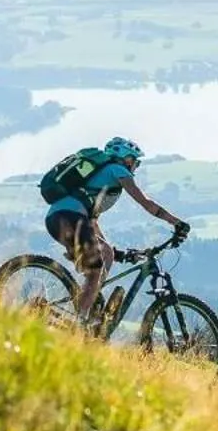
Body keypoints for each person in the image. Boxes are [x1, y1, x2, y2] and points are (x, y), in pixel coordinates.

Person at [43, 136, 189, 324]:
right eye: (134, 161)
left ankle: (88, 301)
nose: (135, 166)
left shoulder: (101, 180)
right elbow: (145, 202)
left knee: (107, 253)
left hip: (61, 219)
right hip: (68, 218)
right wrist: (176, 223)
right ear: (126, 159)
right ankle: (79, 323)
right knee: (95, 270)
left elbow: (93, 223)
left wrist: (117, 253)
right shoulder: (117, 170)